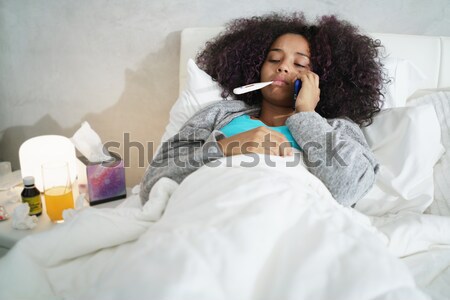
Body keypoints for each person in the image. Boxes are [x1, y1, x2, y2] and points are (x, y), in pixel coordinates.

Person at [140, 12, 385, 207]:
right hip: (215, 208)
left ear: (322, 79)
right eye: (274, 59)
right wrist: (225, 147)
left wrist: (307, 115)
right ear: (256, 65)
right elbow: (153, 183)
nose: (283, 68)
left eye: (299, 63)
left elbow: (350, 189)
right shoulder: (218, 115)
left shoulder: (338, 129)